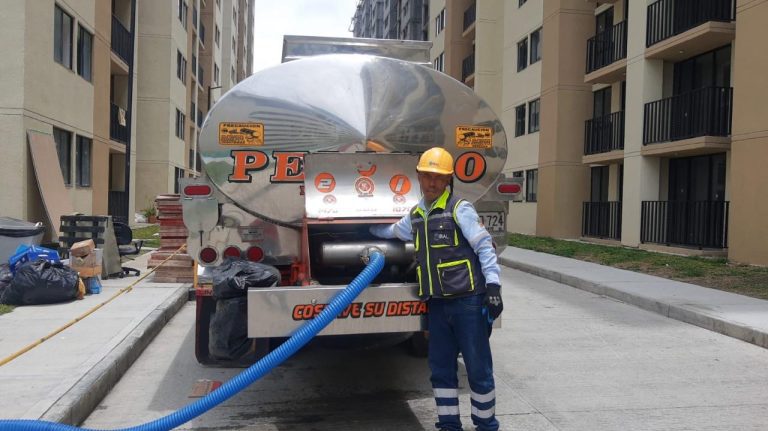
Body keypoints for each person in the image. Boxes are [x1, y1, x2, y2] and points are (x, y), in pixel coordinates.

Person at [370, 147, 503, 431]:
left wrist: (493, 286)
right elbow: (393, 231)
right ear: (418, 176)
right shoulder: (416, 215)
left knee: (478, 368)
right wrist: (369, 231)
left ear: (448, 180)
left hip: (468, 302)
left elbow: (484, 246)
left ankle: (486, 425)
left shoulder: (459, 209)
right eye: (428, 176)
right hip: (437, 305)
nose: (432, 182)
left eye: (439, 177)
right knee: (441, 369)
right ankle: (449, 424)